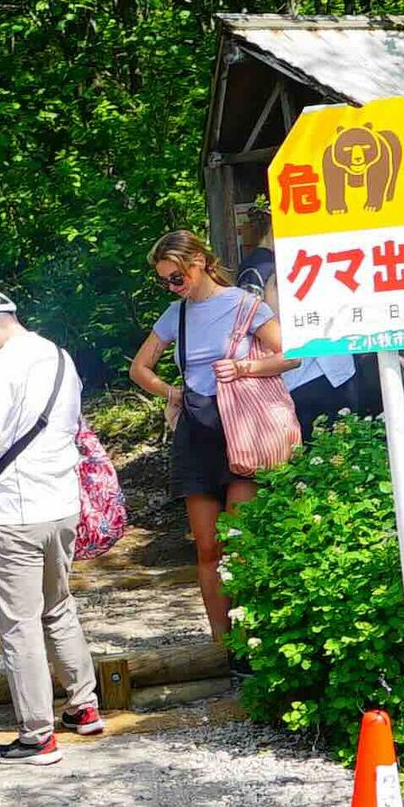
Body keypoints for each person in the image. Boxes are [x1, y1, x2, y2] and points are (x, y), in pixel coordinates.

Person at [0, 289, 96, 760]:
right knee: (58, 606)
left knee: (18, 624)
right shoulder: (59, 356)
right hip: (62, 504)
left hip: (16, 511)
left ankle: (37, 735)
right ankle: (83, 707)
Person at [127, 229, 286, 644]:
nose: (171, 286)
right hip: (197, 431)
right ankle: (221, 642)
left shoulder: (244, 305)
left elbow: (290, 355)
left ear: (198, 263)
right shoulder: (175, 314)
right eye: (165, 281)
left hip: (243, 428)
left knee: (240, 544)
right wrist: (172, 392)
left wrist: (246, 368)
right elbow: (139, 368)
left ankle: (251, 639)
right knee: (206, 547)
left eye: (176, 278)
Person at [230, 202, 357, 437]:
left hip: (319, 366)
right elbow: (258, 322)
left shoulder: (285, 261)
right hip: (305, 370)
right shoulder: (262, 267)